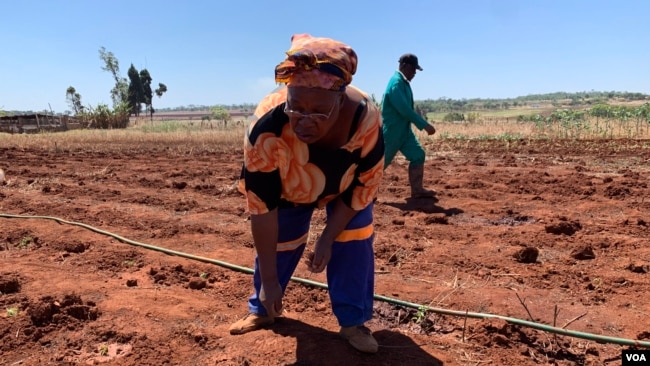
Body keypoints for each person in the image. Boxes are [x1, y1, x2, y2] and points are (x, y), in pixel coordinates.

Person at [230, 34, 385, 354]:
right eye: (296, 108)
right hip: (289, 192)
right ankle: (262, 310)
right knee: (279, 242)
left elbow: (362, 189)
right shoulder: (265, 128)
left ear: (340, 101)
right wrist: (270, 283)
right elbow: (262, 209)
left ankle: (353, 322)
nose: (304, 120)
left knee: (354, 238)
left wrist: (327, 237)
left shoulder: (365, 119)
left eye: (318, 112)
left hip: (344, 191)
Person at [381, 53, 437, 198]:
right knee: (378, 165)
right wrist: (424, 125)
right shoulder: (396, 83)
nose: (414, 73)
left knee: (418, 155)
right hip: (392, 132)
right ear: (404, 66)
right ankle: (359, 192)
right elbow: (404, 110)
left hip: (404, 132)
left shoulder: (403, 83)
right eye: (413, 69)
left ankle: (417, 190)